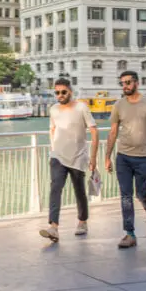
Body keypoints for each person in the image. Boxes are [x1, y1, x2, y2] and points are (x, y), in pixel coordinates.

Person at [104, 70, 146, 249]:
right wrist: (107, 156)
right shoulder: (118, 105)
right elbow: (113, 132)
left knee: (141, 194)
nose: (124, 86)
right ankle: (129, 234)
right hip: (123, 157)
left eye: (128, 82)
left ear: (136, 83)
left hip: (144, 158)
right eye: (122, 83)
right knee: (125, 196)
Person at [40, 78, 99, 242]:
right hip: (57, 157)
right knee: (55, 189)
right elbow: (52, 129)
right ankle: (53, 227)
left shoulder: (81, 108)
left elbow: (94, 131)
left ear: (70, 92)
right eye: (57, 92)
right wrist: (53, 149)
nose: (60, 95)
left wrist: (93, 157)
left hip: (78, 156)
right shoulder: (53, 109)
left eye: (63, 92)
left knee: (79, 190)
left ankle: (82, 221)